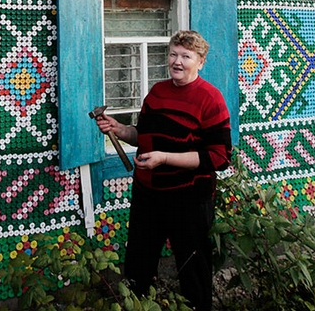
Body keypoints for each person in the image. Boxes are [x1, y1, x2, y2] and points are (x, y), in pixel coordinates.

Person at [96, 30, 232, 311]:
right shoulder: (157, 93)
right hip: (148, 194)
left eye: (186, 56)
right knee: (137, 266)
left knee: (193, 271)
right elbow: (142, 135)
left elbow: (219, 157)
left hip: (190, 200)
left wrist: (165, 158)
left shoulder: (211, 99)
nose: (177, 61)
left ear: (201, 61)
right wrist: (119, 129)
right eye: (173, 54)